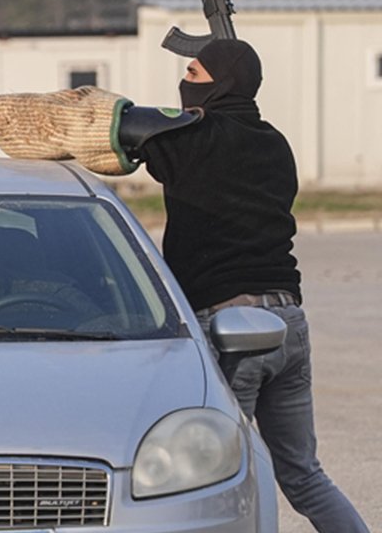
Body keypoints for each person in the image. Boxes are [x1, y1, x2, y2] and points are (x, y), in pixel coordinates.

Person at [138, 38, 368, 532]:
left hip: (231, 327)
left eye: (194, 75)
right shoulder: (275, 143)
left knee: (219, 475)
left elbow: (124, 135)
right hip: (288, 323)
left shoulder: (192, 140)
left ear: (220, 85)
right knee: (304, 475)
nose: (184, 84)